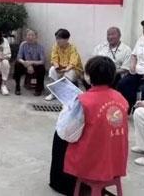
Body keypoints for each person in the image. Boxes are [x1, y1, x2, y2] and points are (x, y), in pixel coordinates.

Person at [49, 56, 128, 194]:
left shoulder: (84, 100)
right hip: (115, 158)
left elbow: (67, 133)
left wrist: (66, 110)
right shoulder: (120, 98)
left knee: (59, 135)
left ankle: (63, 184)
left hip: (91, 160)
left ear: (89, 77)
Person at [45, 29, 83, 101]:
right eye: (56, 38)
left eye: (60, 39)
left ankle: (67, 95)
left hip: (72, 68)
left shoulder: (72, 48)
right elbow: (54, 58)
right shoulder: (55, 46)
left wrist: (66, 69)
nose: (57, 41)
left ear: (66, 39)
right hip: (60, 68)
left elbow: (73, 62)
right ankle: (54, 93)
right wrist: (57, 67)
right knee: (52, 70)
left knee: (69, 73)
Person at [13, 29, 46, 96]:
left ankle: (38, 89)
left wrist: (31, 63)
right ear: (26, 36)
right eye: (28, 35)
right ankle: (17, 87)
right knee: (17, 64)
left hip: (35, 65)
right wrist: (26, 64)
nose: (30, 37)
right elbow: (19, 57)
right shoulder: (23, 44)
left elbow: (42, 61)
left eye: (32, 35)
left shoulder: (40, 46)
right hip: (25, 64)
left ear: (36, 37)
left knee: (42, 68)